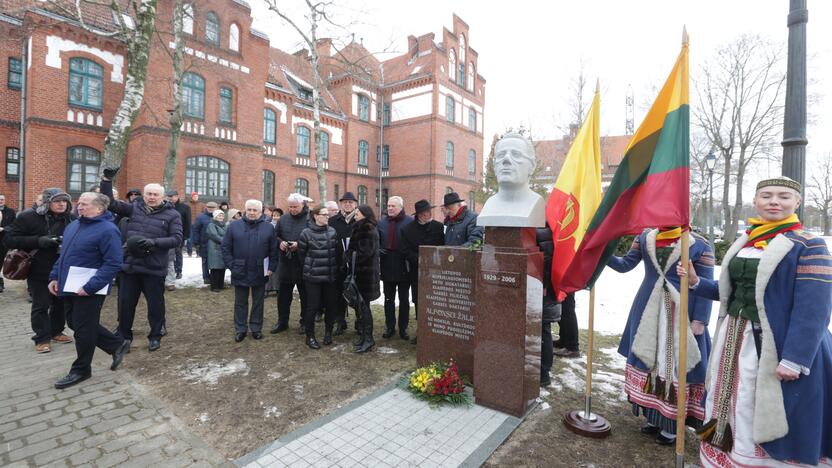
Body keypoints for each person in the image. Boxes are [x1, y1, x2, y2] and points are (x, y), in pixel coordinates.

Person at [679, 177, 832, 467]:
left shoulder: (809, 245)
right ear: (756, 201)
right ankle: (731, 454)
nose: (774, 201)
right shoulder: (747, 240)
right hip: (735, 336)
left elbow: (815, 307)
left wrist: (795, 358)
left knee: (764, 403)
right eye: (767, 196)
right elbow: (731, 292)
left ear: (797, 203)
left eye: (784, 196)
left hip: (780, 344)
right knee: (737, 398)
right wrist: (698, 281)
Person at [607, 226, 714, 445]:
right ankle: (653, 417)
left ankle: (672, 425)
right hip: (648, 307)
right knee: (650, 361)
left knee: (675, 365)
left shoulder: (700, 243)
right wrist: (601, 253)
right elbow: (625, 264)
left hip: (683, 310)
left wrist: (700, 319)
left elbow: (705, 281)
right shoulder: (645, 236)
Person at [47, 192, 130, 389]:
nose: (79, 207)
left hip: (89, 288)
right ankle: (116, 344)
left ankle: (81, 369)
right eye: (79, 203)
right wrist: (54, 276)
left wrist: (91, 286)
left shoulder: (108, 230)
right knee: (75, 323)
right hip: (69, 285)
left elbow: (113, 263)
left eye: (85, 204)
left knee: (83, 330)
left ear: (100, 208)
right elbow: (64, 256)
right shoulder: (74, 225)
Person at [100, 171, 183, 352]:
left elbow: (177, 239)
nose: (152, 197)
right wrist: (106, 181)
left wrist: (155, 243)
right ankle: (123, 336)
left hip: (154, 267)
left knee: (155, 305)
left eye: (155, 194)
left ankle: (155, 335)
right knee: (125, 304)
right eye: (149, 194)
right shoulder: (133, 208)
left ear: (162, 197)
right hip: (130, 266)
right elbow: (110, 203)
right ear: (143, 195)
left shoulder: (172, 215)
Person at [4, 188, 75, 353]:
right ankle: (41, 338)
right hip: (38, 268)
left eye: (64, 201)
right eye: (57, 201)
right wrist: (38, 241)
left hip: (63, 268)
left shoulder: (71, 218)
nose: (62, 204)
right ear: (47, 201)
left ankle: (56, 331)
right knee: (41, 305)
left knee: (60, 303)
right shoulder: (28, 216)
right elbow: (9, 239)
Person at [222, 200, 277, 342]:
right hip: (240, 269)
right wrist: (231, 265)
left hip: (260, 269)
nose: (252, 213)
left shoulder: (268, 228)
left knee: (258, 301)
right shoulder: (234, 226)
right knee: (240, 302)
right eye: (249, 210)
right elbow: (226, 247)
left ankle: (256, 328)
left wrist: (271, 267)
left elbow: (273, 250)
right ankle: (240, 329)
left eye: (255, 210)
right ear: (245, 210)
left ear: (261, 212)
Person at [297, 205, 343, 349]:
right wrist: (311, 268)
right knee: (312, 307)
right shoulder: (306, 233)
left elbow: (337, 253)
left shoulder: (332, 232)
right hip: (313, 277)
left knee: (330, 305)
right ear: (315, 216)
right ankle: (310, 336)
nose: (327, 217)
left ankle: (328, 332)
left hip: (330, 276)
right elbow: (301, 255)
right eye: (324, 215)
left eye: (328, 215)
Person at [400, 199, 445, 345]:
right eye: (423, 212)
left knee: (436, 301)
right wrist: (420, 260)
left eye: (428, 211)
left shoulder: (438, 227)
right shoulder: (407, 229)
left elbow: (443, 247)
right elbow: (405, 250)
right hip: (417, 272)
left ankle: (436, 331)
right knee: (419, 301)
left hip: (436, 271)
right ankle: (422, 332)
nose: (427, 214)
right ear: (418, 214)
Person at [477, 132, 546, 227]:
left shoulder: (536, 204)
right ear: (494, 166)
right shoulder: (489, 205)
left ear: (532, 166)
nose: (506, 159)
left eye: (516, 154)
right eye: (501, 155)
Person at [271, 194, 310, 335]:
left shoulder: (310, 218)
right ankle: (282, 322)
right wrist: (280, 242)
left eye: (295, 207)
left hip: (303, 263)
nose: (292, 209)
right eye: (290, 207)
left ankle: (305, 322)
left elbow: (314, 238)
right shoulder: (283, 219)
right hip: (286, 263)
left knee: (305, 296)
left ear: (302, 205)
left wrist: (299, 245)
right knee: (283, 296)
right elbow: (274, 236)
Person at [377, 196, 414, 340]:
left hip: (404, 265)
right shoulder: (382, 223)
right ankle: (390, 326)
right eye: (388, 206)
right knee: (388, 299)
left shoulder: (410, 222)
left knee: (404, 299)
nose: (390, 208)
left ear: (401, 207)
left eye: (393, 206)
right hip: (387, 265)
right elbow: (376, 240)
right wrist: (379, 249)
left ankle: (403, 328)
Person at [347, 204, 381, 353]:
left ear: (365, 215)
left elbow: (365, 252)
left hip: (366, 274)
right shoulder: (360, 227)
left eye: (358, 213)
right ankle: (365, 337)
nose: (355, 215)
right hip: (360, 273)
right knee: (361, 307)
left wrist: (348, 256)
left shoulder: (367, 229)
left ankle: (369, 339)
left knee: (365, 308)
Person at [535, 224, 561, 387]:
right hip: (549, 290)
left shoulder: (540, 232)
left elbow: (544, 263)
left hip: (543, 290)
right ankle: (544, 371)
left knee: (542, 332)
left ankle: (543, 374)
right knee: (544, 331)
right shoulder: (552, 231)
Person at [329, 192, 358, 335]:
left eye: (350, 202)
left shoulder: (360, 220)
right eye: (345, 202)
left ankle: (360, 323)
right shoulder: (333, 221)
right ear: (341, 204)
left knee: (358, 294)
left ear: (355, 205)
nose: (347, 204)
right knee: (337, 294)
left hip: (356, 264)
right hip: (337, 263)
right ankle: (340, 321)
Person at [192, 201, 218, 285]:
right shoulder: (201, 217)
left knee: (215, 261)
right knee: (205, 261)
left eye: (213, 208)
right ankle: (206, 277)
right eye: (209, 208)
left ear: (216, 208)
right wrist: (196, 243)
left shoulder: (218, 216)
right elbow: (196, 230)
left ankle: (214, 277)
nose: (211, 209)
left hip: (215, 244)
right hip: (204, 243)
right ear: (206, 208)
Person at [167, 190, 191, 280]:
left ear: (177, 196)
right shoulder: (165, 207)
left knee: (178, 253)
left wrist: (186, 236)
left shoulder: (185, 208)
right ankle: (169, 271)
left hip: (180, 235)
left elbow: (188, 223)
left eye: (172, 196)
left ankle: (178, 271)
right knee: (168, 254)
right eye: (168, 196)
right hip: (167, 234)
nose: (170, 198)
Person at [205, 210, 227, 292]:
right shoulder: (211, 225)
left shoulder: (224, 225)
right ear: (215, 217)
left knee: (222, 267)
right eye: (219, 216)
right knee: (215, 268)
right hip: (214, 248)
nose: (221, 217)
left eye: (222, 216)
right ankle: (214, 286)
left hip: (222, 248)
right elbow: (214, 235)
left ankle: (220, 285)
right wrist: (224, 241)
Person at [553, 293, 579, 358]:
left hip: (567, 284)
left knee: (567, 309)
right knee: (562, 307)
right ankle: (564, 340)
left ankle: (572, 347)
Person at [0, 193, 16, 293]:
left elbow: (14, 225)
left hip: (4, 241)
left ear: (5, 201)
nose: (0, 201)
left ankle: (1, 284)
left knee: (1, 262)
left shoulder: (10, 212)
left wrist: (4, 229)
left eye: (2, 199)